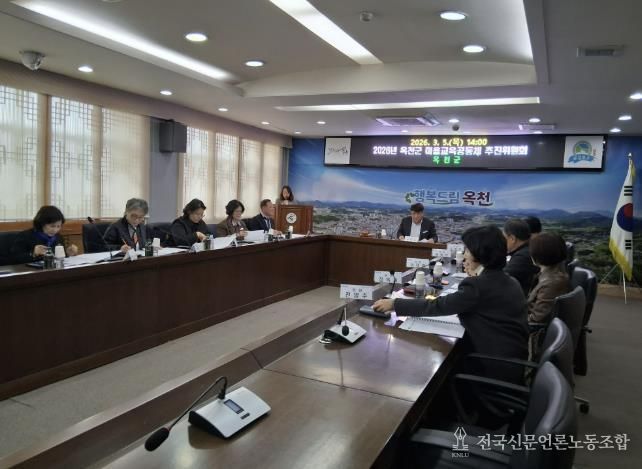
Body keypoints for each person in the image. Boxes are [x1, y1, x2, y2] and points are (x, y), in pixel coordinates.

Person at [374, 225, 528, 384]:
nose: (465, 255)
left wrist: (394, 304)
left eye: (467, 250)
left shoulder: (478, 285)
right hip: (511, 361)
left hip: (492, 367)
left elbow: (438, 306)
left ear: (479, 254)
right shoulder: (508, 280)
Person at [527, 233, 571, 359]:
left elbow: (536, 320)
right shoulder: (555, 274)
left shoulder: (552, 283)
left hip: (532, 337)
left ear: (538, 256)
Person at [10, 205, 79, 264]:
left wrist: (67, 253)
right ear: (42, 223)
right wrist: (33, 253)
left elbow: (58, 259)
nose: (55, 230)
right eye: (52, 226)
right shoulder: (25, 236)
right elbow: (14, 259)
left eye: (58, 226)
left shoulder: (58, 237)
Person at [503, 218, 539, 296]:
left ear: (512, 238)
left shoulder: (522, 257)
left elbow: (500, 280)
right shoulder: (529, 249)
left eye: (504, 238)